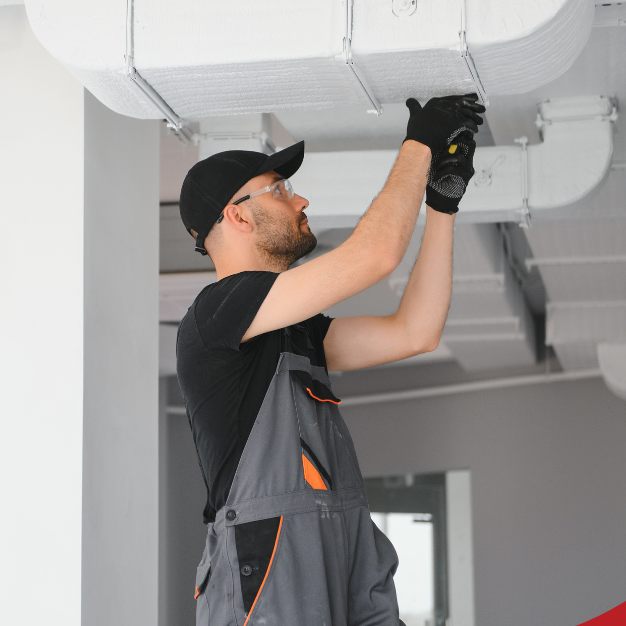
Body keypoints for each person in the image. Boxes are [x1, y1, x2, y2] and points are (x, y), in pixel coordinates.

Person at [176, 94, 485, 626]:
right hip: (275, 558)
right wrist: (420, 143)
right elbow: (375, 256)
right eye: (281, 191)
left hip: (338, 542)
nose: (301, 202)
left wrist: (442, 206)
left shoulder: (294, 331)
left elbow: (416, 332)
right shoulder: (218, 314)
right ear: (236, 216)